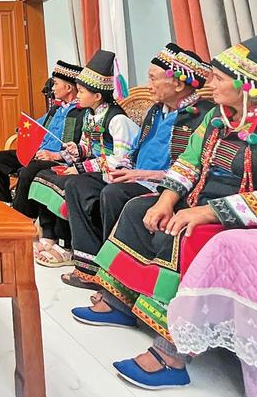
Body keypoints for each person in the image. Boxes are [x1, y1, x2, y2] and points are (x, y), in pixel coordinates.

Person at [72, 27, 257, 390]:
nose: (211, 84)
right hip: (201, 205)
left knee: (188, 234)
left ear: (250, 87)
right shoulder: (216, 119)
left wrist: (206, 213)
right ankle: (121, 300)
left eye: (220, 78)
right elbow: (188, 163)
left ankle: (172, 353)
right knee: (137, 209)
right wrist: (166, 199)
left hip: (253, 223)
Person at [60, 44, 214, 289]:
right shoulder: (155, 110)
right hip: (136, 176)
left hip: (164, 186)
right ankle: (89, 265)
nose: (148, 85)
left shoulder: (202, 116)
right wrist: (123, 166)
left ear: (177, 83)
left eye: (153, 78)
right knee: (77, 185)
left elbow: (195, 169)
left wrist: (143, 174)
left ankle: (115, 275)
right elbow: (135, 149)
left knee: (114, 193)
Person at [28, 50, 140, 267]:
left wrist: (82, 168)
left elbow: (121, 160)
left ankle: (69, 246)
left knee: (70, 183)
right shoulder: (91, 114)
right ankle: (53, 237)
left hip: (117, 173)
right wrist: (77, 150)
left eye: (81, 91)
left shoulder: (117, 120)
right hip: (97, 168)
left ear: (97, 96)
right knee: (45, 175)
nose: (77, 96)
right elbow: (88, 147)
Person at [0, 61, 84, 204]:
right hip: (37, 154)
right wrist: (24, 130)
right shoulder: (56, 109)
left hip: (56, 159)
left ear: (68, 88)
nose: (52, 88)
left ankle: (19, 212)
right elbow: (36, 125)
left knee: (27, 171)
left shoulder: (82, 112)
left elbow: (82, 147)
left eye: (55, 84)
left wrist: (57, 155)